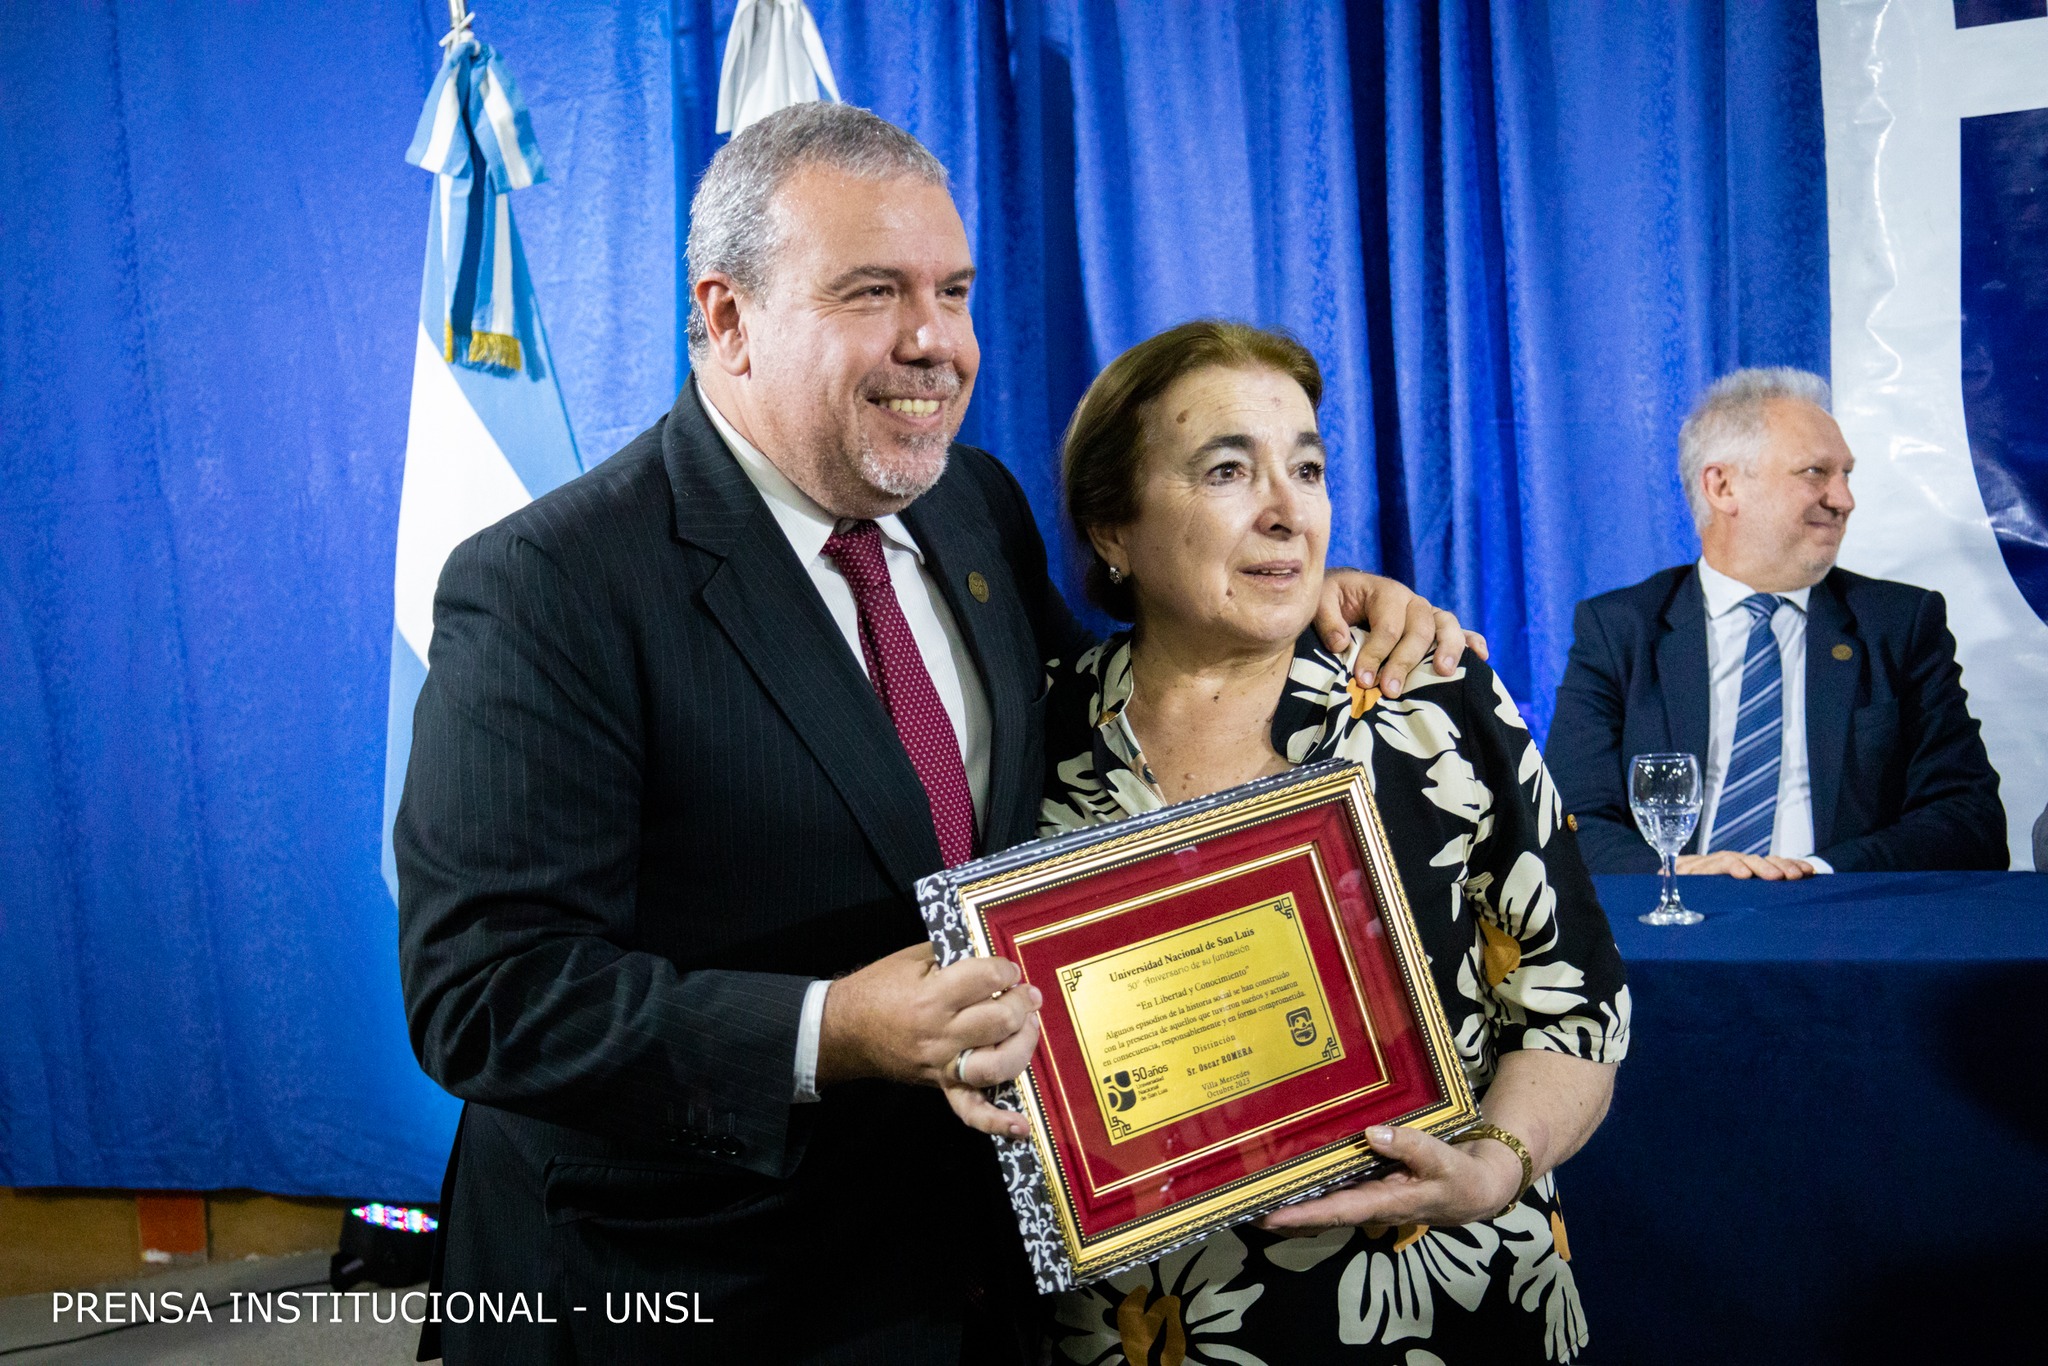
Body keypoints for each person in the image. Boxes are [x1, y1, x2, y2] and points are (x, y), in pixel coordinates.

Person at [395, 104, 1476, 1365]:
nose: (935, 342)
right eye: (872, 293)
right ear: (727, 318)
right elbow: (484, 995)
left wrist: (1286, 610)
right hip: (686, 1288)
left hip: (961, 1272)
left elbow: (1089, 724)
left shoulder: (969, 501)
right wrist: (830, 1029)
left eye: (953, 290)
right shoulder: (552, 583)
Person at [1039, 321, 1629, 1364]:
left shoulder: (1431, 696)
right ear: (1111, 530)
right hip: (1144, 1330)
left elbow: (1572, 1008)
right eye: (1228, 468)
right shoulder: (1031, 734)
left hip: (1444, 1297)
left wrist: (1494, 1160)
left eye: (1305, 467)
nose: (1285, 510)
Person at [1546, 368, 2006, 877]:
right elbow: (1568, 820)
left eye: (1846, 475)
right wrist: (1676, 875)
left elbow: (1970, 820)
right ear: (1722, 486)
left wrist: (1816, 871)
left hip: (1842, 926)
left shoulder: (1898, 627)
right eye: (1815, 472)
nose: (1844, 500)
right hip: (1671, 929)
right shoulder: (1620, 630)